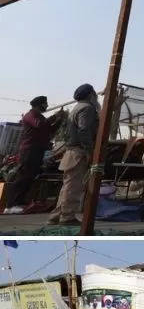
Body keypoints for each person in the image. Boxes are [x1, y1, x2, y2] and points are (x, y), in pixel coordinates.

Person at [48, 84, 99, 226]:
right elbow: (84, 130)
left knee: (67, 187)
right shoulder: (87, 108)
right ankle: (67, 217)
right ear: (90, 95)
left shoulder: (77, 108)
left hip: (72, 152)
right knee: (73, 187)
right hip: (78, 152)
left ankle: (56, 215)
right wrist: (89, 150)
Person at [4, 96, 63, 213]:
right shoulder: (31, 115)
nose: (46, 106)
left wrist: (60, 120)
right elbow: (40, 125)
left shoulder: (40, 117)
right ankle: (11, 205)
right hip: (29, 152)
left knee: (29, 178)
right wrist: (55, 116)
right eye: (44, 104)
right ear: (38, 105)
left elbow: (49, 130)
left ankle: (19, 202)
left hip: (37, 151)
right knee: (23, 177)